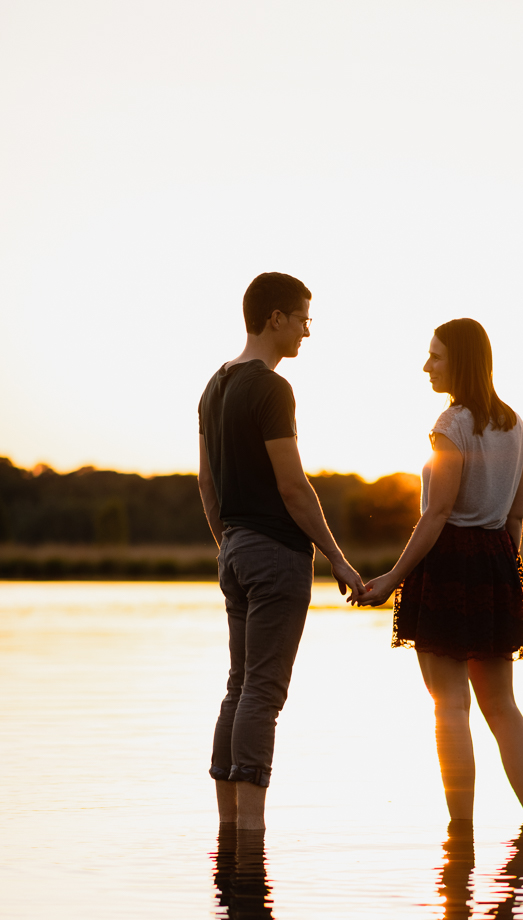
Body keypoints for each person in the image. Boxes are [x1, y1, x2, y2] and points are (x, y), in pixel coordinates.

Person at [356, 318, 523, 825]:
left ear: (458, 361)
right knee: (502, 707)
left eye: (435, 357)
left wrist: (391, 580)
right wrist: (501, 570)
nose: (426, 365)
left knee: (451, 706)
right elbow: (516, 516)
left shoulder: (451, 425)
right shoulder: (517, 426)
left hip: (447, 563)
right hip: (499, 561)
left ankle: (461, 833)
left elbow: (436, 513)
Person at [198, 271, 364, 830]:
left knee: (239, 686)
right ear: (276, 319)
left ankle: (229, 828)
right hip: (274, 557)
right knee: (262, 694)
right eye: (303, 320)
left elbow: (207, 485)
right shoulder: (272, 388)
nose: (307, 333)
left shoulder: (214, 386)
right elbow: (293, 486)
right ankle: (251, 835)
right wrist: (338, 556)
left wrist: (229, 546)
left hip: (236, 551)